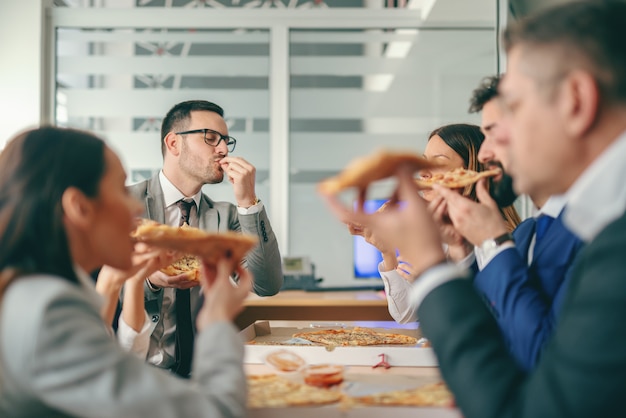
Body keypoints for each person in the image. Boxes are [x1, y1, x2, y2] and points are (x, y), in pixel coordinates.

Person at [322, 2, 626, 416]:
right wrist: (458, 252)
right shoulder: (571, 224)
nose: (488, 152)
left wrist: (433, 261)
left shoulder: (605, 238)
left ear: (576, 100)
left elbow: (531, 396)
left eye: (513, 109)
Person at [0, 126, 252, 417]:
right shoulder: (50, 312)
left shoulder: (29, 291)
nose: (135, 207)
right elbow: (216, 412)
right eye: (121, 190)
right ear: (79, 207)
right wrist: (217, 320)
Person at [425, 75, 584, 370]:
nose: (484, 155)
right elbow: (483, 330)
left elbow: (540, 358)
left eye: (494, 133)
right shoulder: (526, 234)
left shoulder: (593, 235)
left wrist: (492, 242)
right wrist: (460, 251)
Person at [117, 100, 283, 376]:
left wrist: (247, 202)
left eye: (226, 141)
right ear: (173, 144)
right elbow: (98, 288)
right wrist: (148, 279)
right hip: (134, 374)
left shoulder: (226, 215)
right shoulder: (124, 204)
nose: (223, 150)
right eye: (211, 138)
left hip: (201, 376)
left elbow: (267, 284)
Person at [349, 123, 520, 323]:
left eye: (438, 163)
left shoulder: (502, 241)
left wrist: (436, 281)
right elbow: (405, 315)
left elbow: (491, 319)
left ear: (469, 172)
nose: (423, 173)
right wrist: (387, 253)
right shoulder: (434, 233)